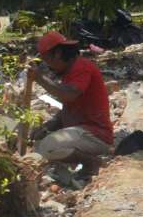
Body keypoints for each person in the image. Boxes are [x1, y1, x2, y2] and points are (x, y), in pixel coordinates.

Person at [30, 29, 114, 166]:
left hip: (96, 136)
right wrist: (46, 127)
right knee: (40, 146)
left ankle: (93, 164)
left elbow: (69, 95)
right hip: (83, 132)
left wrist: (39, 78)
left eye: (47, 61)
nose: (48, 67)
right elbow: (69, 109)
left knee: (47, 147)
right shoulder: (69, 72)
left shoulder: (81, 67)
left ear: (57, 54)